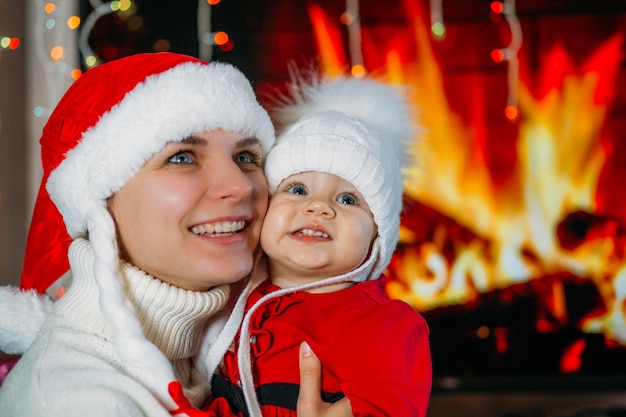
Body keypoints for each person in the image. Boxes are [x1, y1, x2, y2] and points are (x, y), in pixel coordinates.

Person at [0, 52, 352, 417]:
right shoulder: (76, 403)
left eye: (246, 157)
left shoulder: (241, 349)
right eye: (182, 157)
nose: (240, 185)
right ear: (101, 200)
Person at [207, 74, 433, 416]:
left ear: (377, 238)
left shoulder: (380, 325)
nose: (319, 207)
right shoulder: (231, 290)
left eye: (347, 199)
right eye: (297, 190)